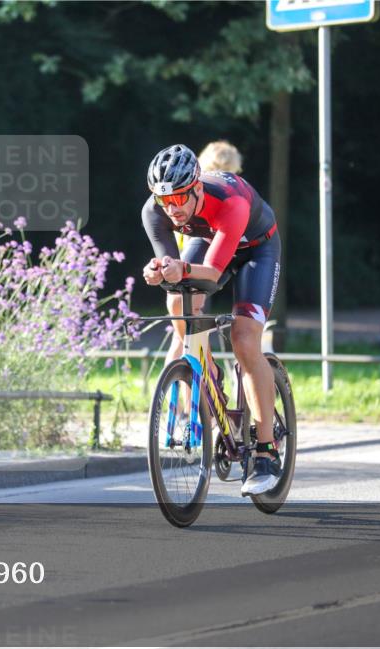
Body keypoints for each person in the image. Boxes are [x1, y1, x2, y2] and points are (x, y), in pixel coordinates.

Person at [141, 144, 281, 496]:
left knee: (244, 338)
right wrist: (160, 271)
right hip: (210, 240)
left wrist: (180, 269)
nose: (172, 209)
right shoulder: (154, 210)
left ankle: (266, 452)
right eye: (164, 201)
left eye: (179, 199)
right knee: (176, 299)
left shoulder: (230, 202)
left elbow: (213, 272)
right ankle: (208, 370)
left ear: (197, 188)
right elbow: (173, 270)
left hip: (255, 250)